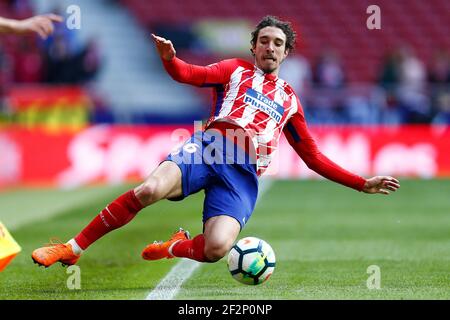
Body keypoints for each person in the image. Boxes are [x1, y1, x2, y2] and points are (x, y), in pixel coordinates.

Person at [32, 16, 400, 268]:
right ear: (254, 47)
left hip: (243, 174)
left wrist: (359, 183)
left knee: (217, 249)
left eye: (278, 44)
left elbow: (313, 156)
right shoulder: (234, 69)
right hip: (209, 148)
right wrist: (170, 59)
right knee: (148, 190)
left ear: (286, 53)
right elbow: (189, 74)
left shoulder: (291, 101)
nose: (270, 48)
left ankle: (174, 245)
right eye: (264, 41)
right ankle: (72, 248)